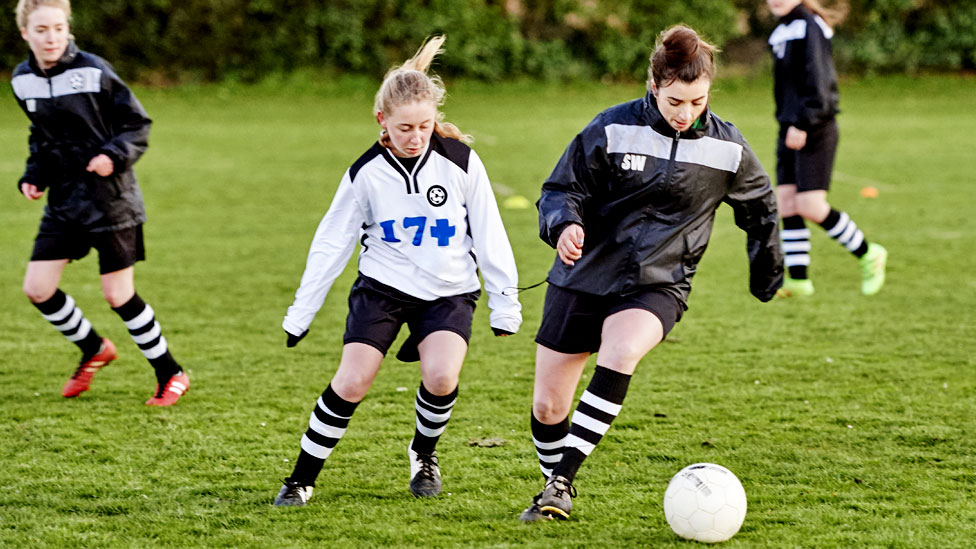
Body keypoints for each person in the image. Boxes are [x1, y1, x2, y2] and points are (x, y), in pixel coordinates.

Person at [518, 25, 783, 522]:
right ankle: (555, 481)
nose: (686, 114)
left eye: (697, 102)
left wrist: (766, 271)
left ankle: (561, 483)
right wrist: (564, 225)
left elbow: (761, 208)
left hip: (659, 283)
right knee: (550, 408)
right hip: (583, 276)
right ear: (654, 86)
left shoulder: (728, 148)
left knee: (621, 351)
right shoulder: (613, 129)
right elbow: (560, 190)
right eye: (675, 101)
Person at [274, 36, 522, 507]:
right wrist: (300, 313)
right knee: (351, 382)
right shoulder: (365, 173)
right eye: (405, 127)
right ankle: (301, 479)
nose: (416, 137)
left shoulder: (461, 162)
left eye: (425, 126)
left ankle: (423, 454)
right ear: (381, 120)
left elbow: (490, 234)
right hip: (383, 289)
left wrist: (505, 303)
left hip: (449, 291)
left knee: (442, 378)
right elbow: (332, 243)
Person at [13, 0, 189, 406]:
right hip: (64, 202)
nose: (52, 36)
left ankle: (171, 372)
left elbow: (136, 124)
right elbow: (41, 137)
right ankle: (94, 349)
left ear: (68, 28)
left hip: (111, 201)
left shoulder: (93, 70)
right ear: (26, 33)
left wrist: (113, 155)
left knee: (118, 295)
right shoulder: (23, 79)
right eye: (41, 30)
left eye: (58, 27)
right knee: (38, 288)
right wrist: (33, 175)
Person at [767, 0, 887, 297]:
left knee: (810, 206)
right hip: (789, 127)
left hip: (814, 126)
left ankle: (869, 253)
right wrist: (789, 123)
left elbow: (820, 85)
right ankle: (798, 280)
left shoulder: (810, 25)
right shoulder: (782, 30)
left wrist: (804, 122)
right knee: (786, 202)